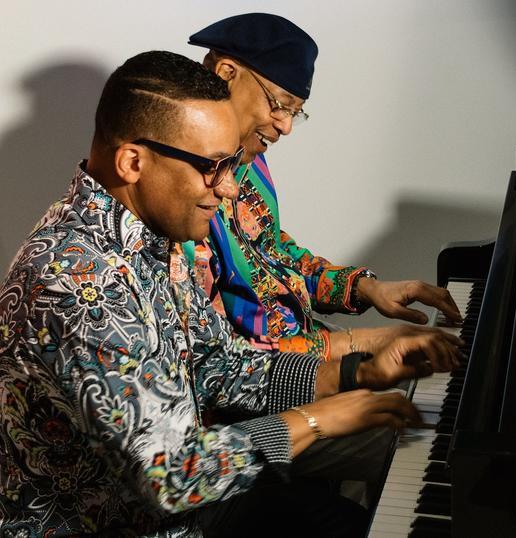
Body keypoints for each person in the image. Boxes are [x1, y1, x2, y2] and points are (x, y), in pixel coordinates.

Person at [0, 50, 461, 537]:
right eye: (213, 167)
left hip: (201, 508)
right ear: (132, 161)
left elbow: (222, 363)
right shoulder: (73, 283)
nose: (230, 190)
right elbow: (170, 476)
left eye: (231, 166)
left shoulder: (155, 238)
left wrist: (358, 370)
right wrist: (315, 420)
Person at [183, 13, 464, 361]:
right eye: (280, 105)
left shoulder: (248, 161)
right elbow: (219, 361)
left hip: (305, 354)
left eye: (295, 112)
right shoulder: (180, 185)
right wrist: (358, 347)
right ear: (226, 73)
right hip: (267, 385)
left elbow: (272, 256)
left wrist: (365, 287)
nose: (286, 127)